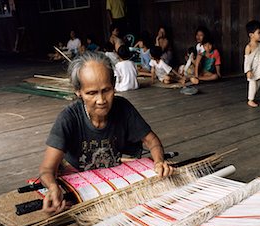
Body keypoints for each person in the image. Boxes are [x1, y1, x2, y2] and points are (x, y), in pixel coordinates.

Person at [39, 52, 173, 213]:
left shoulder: (123, 108)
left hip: (113, 177)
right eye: (91, 93)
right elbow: (47, 169)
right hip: (80, 180)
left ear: (114, 84)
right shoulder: (69, 118)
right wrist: (53, 188)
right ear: (78, 91)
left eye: (106, 90)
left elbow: (153, 142)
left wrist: (159, 162)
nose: (101, 100)